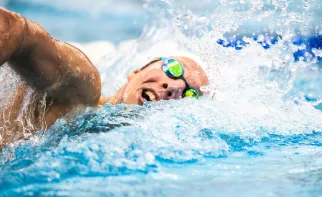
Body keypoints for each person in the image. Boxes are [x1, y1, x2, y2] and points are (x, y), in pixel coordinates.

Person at [0, 7, 209, 149]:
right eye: (172, 68)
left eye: (189, 94)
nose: (173, 87)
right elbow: (13, 28)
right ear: (136, 71)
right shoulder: (82, 87)